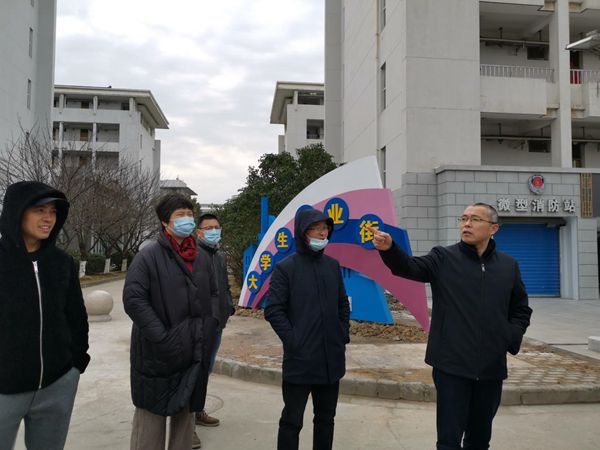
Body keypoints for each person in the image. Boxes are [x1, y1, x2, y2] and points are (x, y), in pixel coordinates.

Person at [371, 202, 532, 450]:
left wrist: (509, 336)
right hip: (451, 366)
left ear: (493, 228)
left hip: (491, 367)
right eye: (464, 218)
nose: (467, 224)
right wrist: (390, 249)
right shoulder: (443, 258)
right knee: (448, 440)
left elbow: (520, 309)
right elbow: (409, 267)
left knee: (479, 440)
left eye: (475, 219)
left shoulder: (508, 266)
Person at [123, 194, 219, 450]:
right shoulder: (148, 256)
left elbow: (213, 294)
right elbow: (134, 300)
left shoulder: (200, 257)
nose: (187, 219)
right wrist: (163, 337)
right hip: (157, 352)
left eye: (189, 214)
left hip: (193, 349)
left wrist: (210, 325)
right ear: (165, 221)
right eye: (180, 215)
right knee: (150, 423)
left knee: (185, 420)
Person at [0, 181, 90, 450]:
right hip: (5, 388)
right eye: (39, 210)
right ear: (17, 212)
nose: (48, 218)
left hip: (56, 384)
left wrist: (75, 365)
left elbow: (76, 317)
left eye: (53, 211)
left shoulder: (61, 262)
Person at [265, 207, 350, 450]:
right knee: (292, 421)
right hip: (300, 361)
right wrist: (295, 341)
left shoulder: (332, 265)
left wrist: (341, 335)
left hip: (331, 359)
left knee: (326, 419)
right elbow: (274, 310)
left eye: (325, 228)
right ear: (303, 232)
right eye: (316, 228)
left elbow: (342, 304)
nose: (323, 233)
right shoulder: (286, 268)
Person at [193, 213, 235, 431]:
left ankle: (197, 410)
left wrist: (229, 306)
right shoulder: (193, 255)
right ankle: (187, 424)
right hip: (200, 324)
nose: (213, 231)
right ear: (198, 232)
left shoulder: (219, 256)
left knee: (206, 369)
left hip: (218, 323)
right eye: (208, 228)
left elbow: (224, 286)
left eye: (216, 227)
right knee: (195, 370)